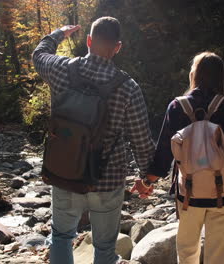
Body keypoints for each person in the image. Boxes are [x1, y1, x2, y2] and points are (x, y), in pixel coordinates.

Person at [32, 17, 155, 264]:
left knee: (62, 236)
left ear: (88, 40)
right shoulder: (127, 87)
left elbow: (39, 54)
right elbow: (141, 141)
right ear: (117, 47)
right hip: (107, 178)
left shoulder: (60, 69)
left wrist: (59, 33)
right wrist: (146, 179)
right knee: (105, 246)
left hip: (64, 171)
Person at [131, 51, 224, 264]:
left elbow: (164, 153)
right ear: (220, 77)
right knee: (217, 254)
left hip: (188, 193)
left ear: (194, 75)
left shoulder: (177, 107)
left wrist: (146, 182)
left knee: (187, 250)